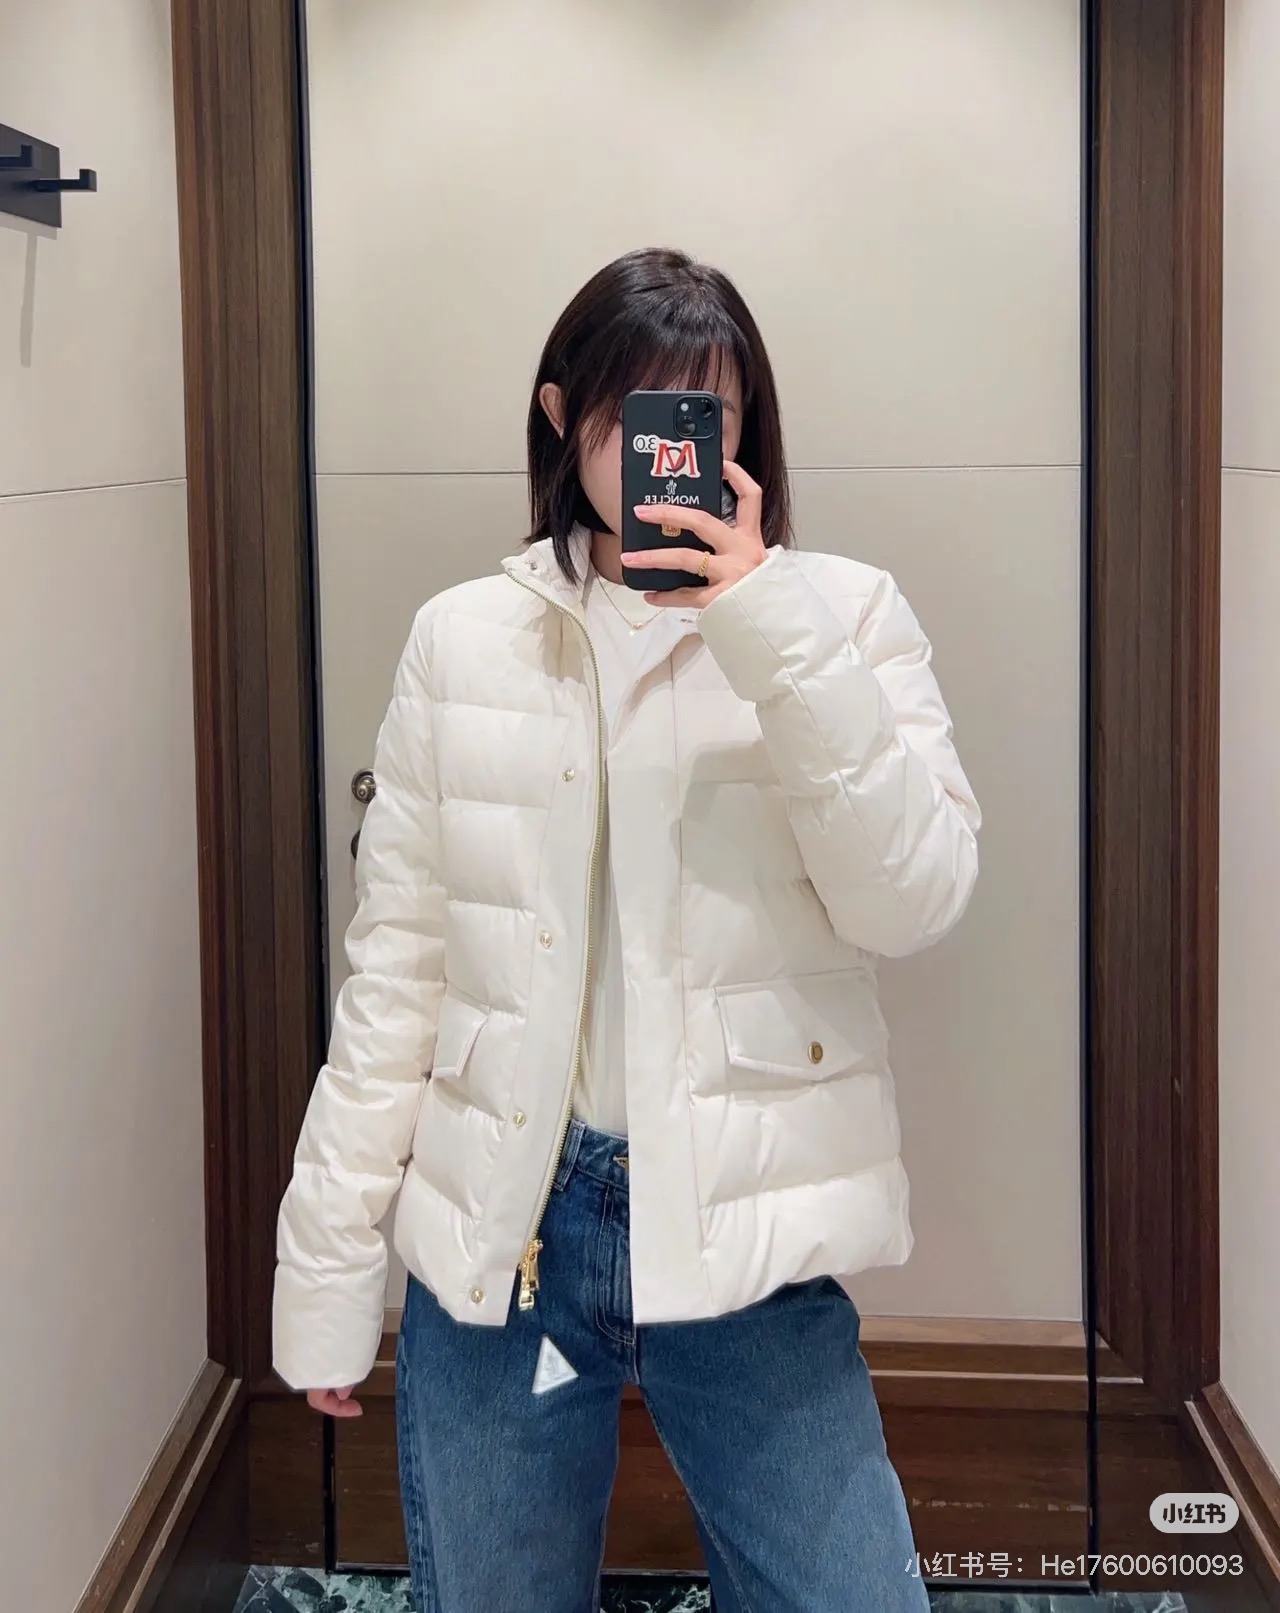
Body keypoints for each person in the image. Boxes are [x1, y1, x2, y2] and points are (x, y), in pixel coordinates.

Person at [273, 246, 980, 1613]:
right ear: (562, 418)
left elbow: (916, 898)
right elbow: (398, 977)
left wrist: (765, 621)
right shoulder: (461, 640)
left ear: (744, 427)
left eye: (703, 411)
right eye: (629, 414)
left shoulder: (839, 616)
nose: (665, 449)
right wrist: (328, 1269)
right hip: (510, 1238)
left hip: (743, 1231)